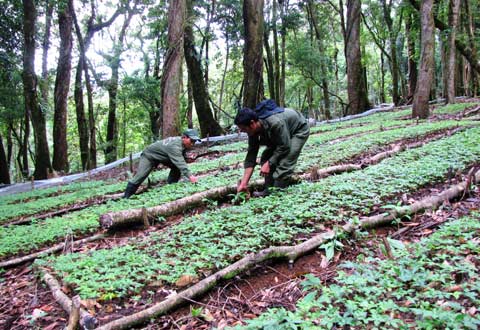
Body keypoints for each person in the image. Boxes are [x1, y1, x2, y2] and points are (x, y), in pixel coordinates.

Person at [235, 99, 310, 197]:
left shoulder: (275, 123)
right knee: (266, 156)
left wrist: (270, 163)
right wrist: (244, 183)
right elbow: (251, 156)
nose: (243, 131)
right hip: (282, 135)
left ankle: (277, 194)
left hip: (298, 129)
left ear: (252, 123)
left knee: (286, 161)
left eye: (244, 129)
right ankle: (268, 190)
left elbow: (285, 146)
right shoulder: (252, 131)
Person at [123, 129, 201, 198]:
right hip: (149, 156)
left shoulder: (181, 144)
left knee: (176, 167)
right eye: (192, 141)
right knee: (140, 176)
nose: (193, 144)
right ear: (184, 137)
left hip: (162, 156)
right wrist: (191, 176)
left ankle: (172, 186)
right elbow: (180, 163)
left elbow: (180, 158)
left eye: (194, 142)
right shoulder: (175, 146)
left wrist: (187, 159)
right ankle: (126, 197)